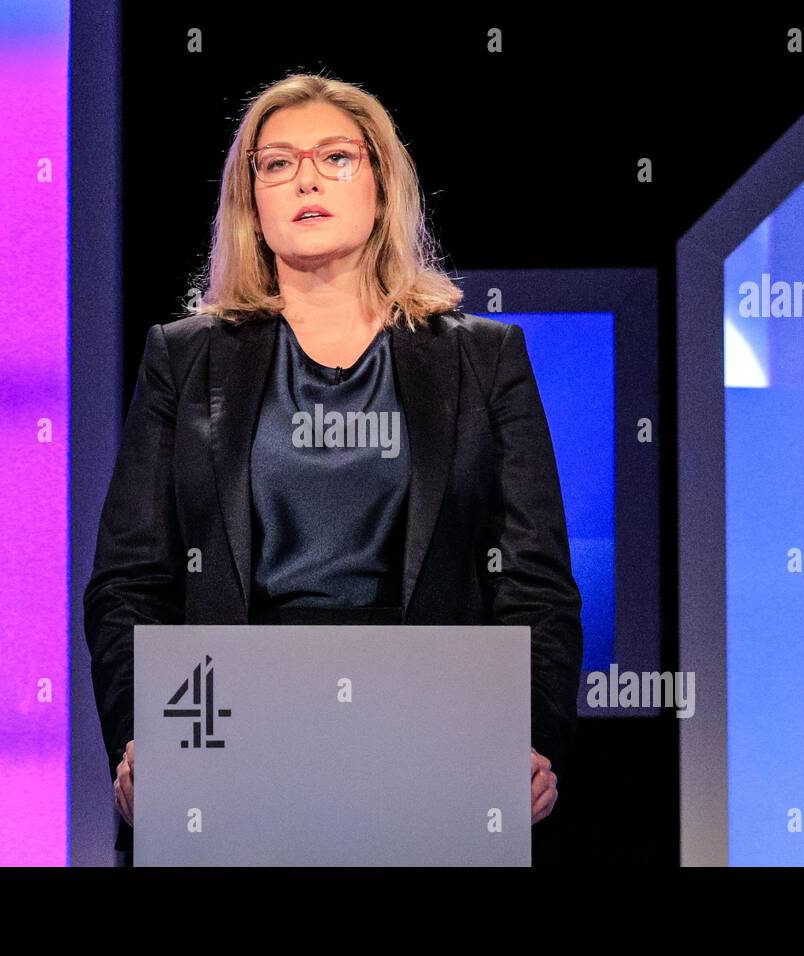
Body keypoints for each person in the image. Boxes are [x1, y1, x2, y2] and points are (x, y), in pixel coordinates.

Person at [83, 72, 583, 865]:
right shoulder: (183, 358)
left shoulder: (483, 360)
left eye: (335, 158)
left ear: (383, 187)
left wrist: (528, 743)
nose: (305, 178)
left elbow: (534, 583)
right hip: (229, 757)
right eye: (275, 163)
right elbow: (130, 580)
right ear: (251, 200)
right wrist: (141, 738)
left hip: (433, 758)